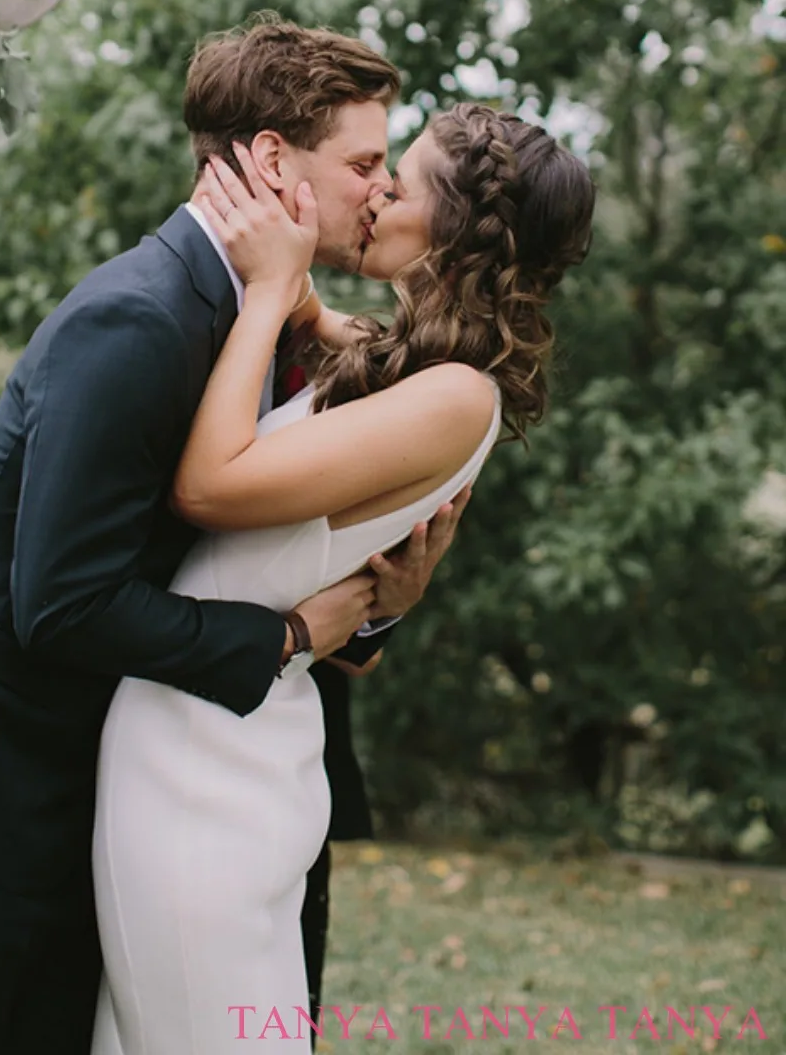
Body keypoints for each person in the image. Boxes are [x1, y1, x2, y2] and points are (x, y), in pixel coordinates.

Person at [0, 14, 454, 1055]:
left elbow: (262, 556)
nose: (378, 190)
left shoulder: (267, 321)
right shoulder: (140, 317)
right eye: (362, 163)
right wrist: (291, 639)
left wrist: (375, 611)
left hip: (102, 796)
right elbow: (63, 602)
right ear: (269, 162)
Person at [91, 103, 595, 1054]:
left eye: (396, 184)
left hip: (212, 771)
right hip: (211, 747)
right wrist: (292, 277)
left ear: (455, 233)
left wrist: (271, 289)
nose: (371, 194)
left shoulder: (454, 396)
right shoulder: (414, 363)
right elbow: (334, 340)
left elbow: (209, 485)